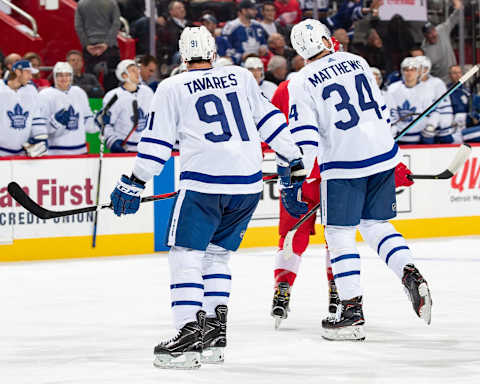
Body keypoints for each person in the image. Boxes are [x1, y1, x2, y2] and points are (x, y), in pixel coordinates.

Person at [109, 25, 304, 369]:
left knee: (185, 253)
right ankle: (214, 334)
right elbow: (270, 120)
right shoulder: (241, 76)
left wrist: (134, 181)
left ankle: (187, 336)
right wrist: (293, 158)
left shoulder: (171, 87)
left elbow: (156, 146)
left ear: (183, 58)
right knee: (216, 257)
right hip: (247, 186)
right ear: (214, 53)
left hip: (203, 185)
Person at [288, 19, 432, 340]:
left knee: (340, 236)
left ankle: (352, 314)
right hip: (382, 154)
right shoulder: (357, 61)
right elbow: (381, 110)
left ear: (300, 52)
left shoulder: (301, 80)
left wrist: (303, 174)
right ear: (327, 39)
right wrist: (393, 158)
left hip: (343, 164)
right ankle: (409, 272)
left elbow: (305, 134)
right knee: (376, 226)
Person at [37, 62, 96, 155]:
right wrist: (54, 122)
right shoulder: (44, 95)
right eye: (60, 75)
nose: (64, 78)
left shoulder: (79, 92)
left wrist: (99, 120)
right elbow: (39, 129)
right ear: (54, 76)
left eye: (67, 75)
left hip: (81, 151)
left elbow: (88, 125)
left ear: (72, 76)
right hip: (56, 153)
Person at [101, 59, 154, 152]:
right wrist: (112, 141)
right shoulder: (113, 96)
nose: (137, 72)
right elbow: (105, 124)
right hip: (125, 150)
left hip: (146, 149)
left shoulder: (148, 92)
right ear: (124, 75)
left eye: (137, 69)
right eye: (133, 70)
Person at [0, 60, 47, 157]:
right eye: (28, 72)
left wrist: (40, 138)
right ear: (18, 72)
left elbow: (36, 116)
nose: (30, 77)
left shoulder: (31, 90)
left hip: (23, 154)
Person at [74, 0, 122, 91]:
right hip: (110, 48)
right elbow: (116, 24)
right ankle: (110, 104)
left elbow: (78, 26)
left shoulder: (81, 4)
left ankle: (93, 104)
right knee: (112, 84)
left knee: (91, 85)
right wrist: (106, 43)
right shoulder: (112, 3)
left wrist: (87, 45)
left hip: (90, 49)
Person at [386, 57, 434, 144]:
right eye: (406, 70)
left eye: (413, 70)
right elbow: (390, 111)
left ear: (418, 71)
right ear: (402, 71)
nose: (409, 73)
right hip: (398, 136)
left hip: (420, 137)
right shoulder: (393, 89)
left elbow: (430, 113)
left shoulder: (427, 89)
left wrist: (429, 126)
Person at [422, 0, 463, 83]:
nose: (433, 34)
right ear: (425, 36)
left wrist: (457, 3)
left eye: (433, 31)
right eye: (429, 33)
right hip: (441, 84)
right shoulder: (424, 50)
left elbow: (456, 15)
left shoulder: (441, 30)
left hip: (456, 79)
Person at [416, 56, 454, 143]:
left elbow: (445, 107)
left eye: (421, 68)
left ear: (427, 69)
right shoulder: (410, 84)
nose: (419, 70)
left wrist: (443, 126)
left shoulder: (437, 83)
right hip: (415, 127)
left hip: (435, 126)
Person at [222, 0, 268, 65]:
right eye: (253, 9)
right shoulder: (231, 26)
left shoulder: (257, 25)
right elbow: (225, 46)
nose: (256, 12)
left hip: (258, 60)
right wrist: (240, 56)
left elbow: (264, 42)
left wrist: (264, 48)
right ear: (243, 10)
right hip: (239, 63)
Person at [447, 65, 480, 143]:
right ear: (449, 75)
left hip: (469, 127)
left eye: (459, 72)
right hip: (456, 131)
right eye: (454, 73)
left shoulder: (467, 90)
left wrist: (475, 116)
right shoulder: (446, 92)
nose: (458, 75)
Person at [156, 1, 192, 65]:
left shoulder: (190, 24)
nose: (182, 9)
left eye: (183, 7)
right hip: (175, 55)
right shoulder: (166, 27)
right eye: (179, 8)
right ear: (171, 11)